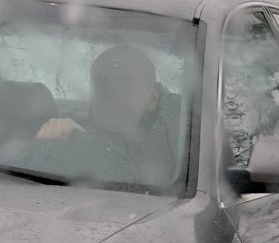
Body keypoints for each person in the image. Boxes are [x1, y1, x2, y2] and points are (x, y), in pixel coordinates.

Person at [28, 46, 173, 185]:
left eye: (125, 82)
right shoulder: (66, 132)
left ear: (152, 97)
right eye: (100, 82)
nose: (110, 92)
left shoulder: (173, 152)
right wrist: (47, 147)